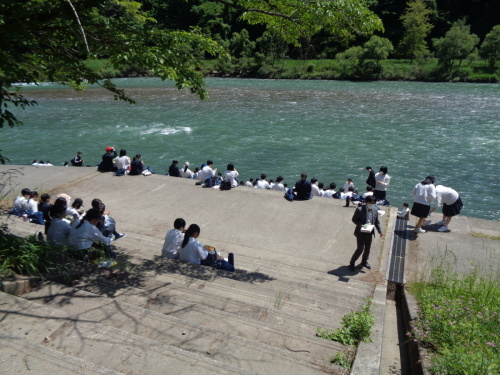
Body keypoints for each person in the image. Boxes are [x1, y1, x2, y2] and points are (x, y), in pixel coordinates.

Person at [349, 196, 383, 271]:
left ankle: (364, 262)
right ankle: (352, 262)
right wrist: (361, 225)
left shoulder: (375, 210)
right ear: (366, 202)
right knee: (360, 249)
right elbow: (354, 219)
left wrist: (380, 231)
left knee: (367, 248)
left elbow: (377, 222)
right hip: (361, 232)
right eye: (370, 203)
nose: (372, 204)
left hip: (369, 232)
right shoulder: (359, 209)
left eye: (373, 203)